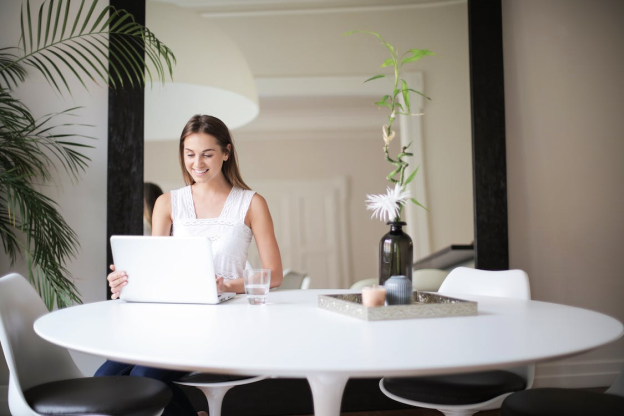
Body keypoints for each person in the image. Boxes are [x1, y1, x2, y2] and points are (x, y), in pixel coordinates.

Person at [96, 115, 283, 416]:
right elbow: (155, 269)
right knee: (102, 380)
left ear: (226, 152)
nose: (197, 163)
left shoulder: (251, 203)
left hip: (224, 323)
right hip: (170, 322)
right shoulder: (167, 203)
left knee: (143, 377)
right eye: (190, 154)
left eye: (207, 154)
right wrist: (127, 280)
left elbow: (274, 275)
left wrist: (228, 285)